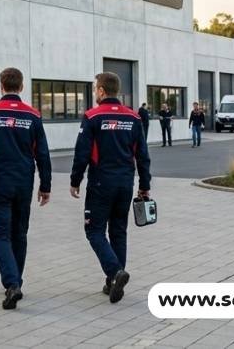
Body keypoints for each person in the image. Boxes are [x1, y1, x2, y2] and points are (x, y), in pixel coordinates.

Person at [0, 67, 53, 311]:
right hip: (24, 182)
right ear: (21, 87)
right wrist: (45, 186)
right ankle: (16, 280)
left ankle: (12, 283)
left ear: (1, 86)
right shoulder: (33, 115)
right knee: (19, 233)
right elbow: (43, 154)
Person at [70, 72, 152, 304]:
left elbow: (82, 153)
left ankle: (115, 272)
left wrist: (75, 180)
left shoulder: (92, 116)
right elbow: (142, 156)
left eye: (96, 88)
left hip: (100, 183)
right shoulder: (134, 119)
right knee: (118, 231)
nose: (95, 92)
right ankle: (113, 282)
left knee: (94, 231)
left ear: (102, 91)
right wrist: (144, 185)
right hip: (125, 183)